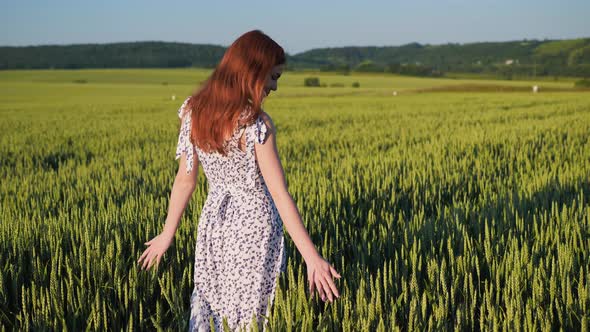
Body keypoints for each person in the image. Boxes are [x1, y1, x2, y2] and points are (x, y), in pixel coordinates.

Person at [137, 30, 341, 331]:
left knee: (211, 307)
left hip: (214, 226)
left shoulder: (194, 112)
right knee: (249, 314)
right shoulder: (257, 124)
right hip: (255, 229)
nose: (274, 87)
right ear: (253, 73)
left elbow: (185, 181)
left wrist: (168, 234)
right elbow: (280, 194)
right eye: (273, 77)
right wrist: (311, 258)